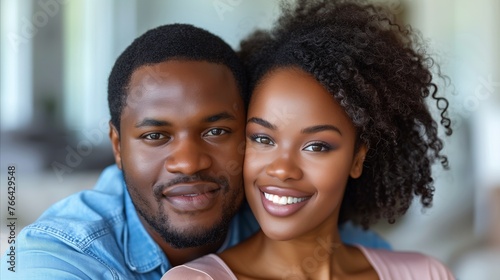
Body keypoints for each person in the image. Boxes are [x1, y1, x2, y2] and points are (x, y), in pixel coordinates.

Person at [2, 23, 389, 279]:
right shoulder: (54, 258)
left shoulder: (294, 224)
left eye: (217, 130)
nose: (188, 162)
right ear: (117, 146)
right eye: (156, 136)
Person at [162, 0, 456, 279]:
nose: (282, 169)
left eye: (316, 146)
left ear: (357, 159)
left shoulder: (426, 274)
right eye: (263, 139)